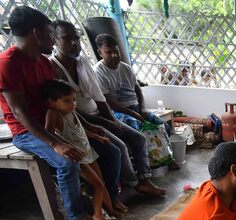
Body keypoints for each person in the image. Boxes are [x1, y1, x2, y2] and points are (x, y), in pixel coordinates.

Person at [0, 6, 96, 220]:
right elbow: (18, 112)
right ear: (36, 33)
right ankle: (76, 213)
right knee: (66, 161)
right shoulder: (7, 63)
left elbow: (58, 102)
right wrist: (55, 143)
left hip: (53, 123)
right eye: (50, 34)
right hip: (26, 132)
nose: (53, 40)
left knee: (98, 147)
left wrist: (86, 127)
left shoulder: (43, 62)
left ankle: (100, 197)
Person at [50, 21, 166, 197]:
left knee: (138, 138)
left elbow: (99, 97)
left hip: (99, 114)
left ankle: (144, 180)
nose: (75, 43)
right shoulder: (53, 67)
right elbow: (69, 109)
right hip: (80, 122)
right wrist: (106, 122)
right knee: (118, 146)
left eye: (77, 38)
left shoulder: (82, 61)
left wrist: (112, 120)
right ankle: (131, 184)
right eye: (68, 39)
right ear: (54, 40)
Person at [42, 79, 121, 220]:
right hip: (77, 157)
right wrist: (64, 145)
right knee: (97, 185)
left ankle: (109, 210)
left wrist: (97, 137)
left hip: (87, 152)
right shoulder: (53, 113)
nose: (72, 104)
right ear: (52, 101)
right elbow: (49, 133)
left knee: (101, 183)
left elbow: (80, 131)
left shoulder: (71, 112)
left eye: (74, 100)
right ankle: (98, 214)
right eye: (67, 101)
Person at [93, 34, 172, 137]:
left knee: (164, 126)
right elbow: (108, 102)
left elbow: (138, 89)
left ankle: (165, 152)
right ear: (100, 52)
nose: (114, 55)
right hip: (118, 112)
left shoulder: (126, 68)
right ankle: (146, 152)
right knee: (136, 127)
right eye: (109, 52)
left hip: (136, 107)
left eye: (116, 51)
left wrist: (142, 108)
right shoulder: (98, 71)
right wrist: (132, 113)